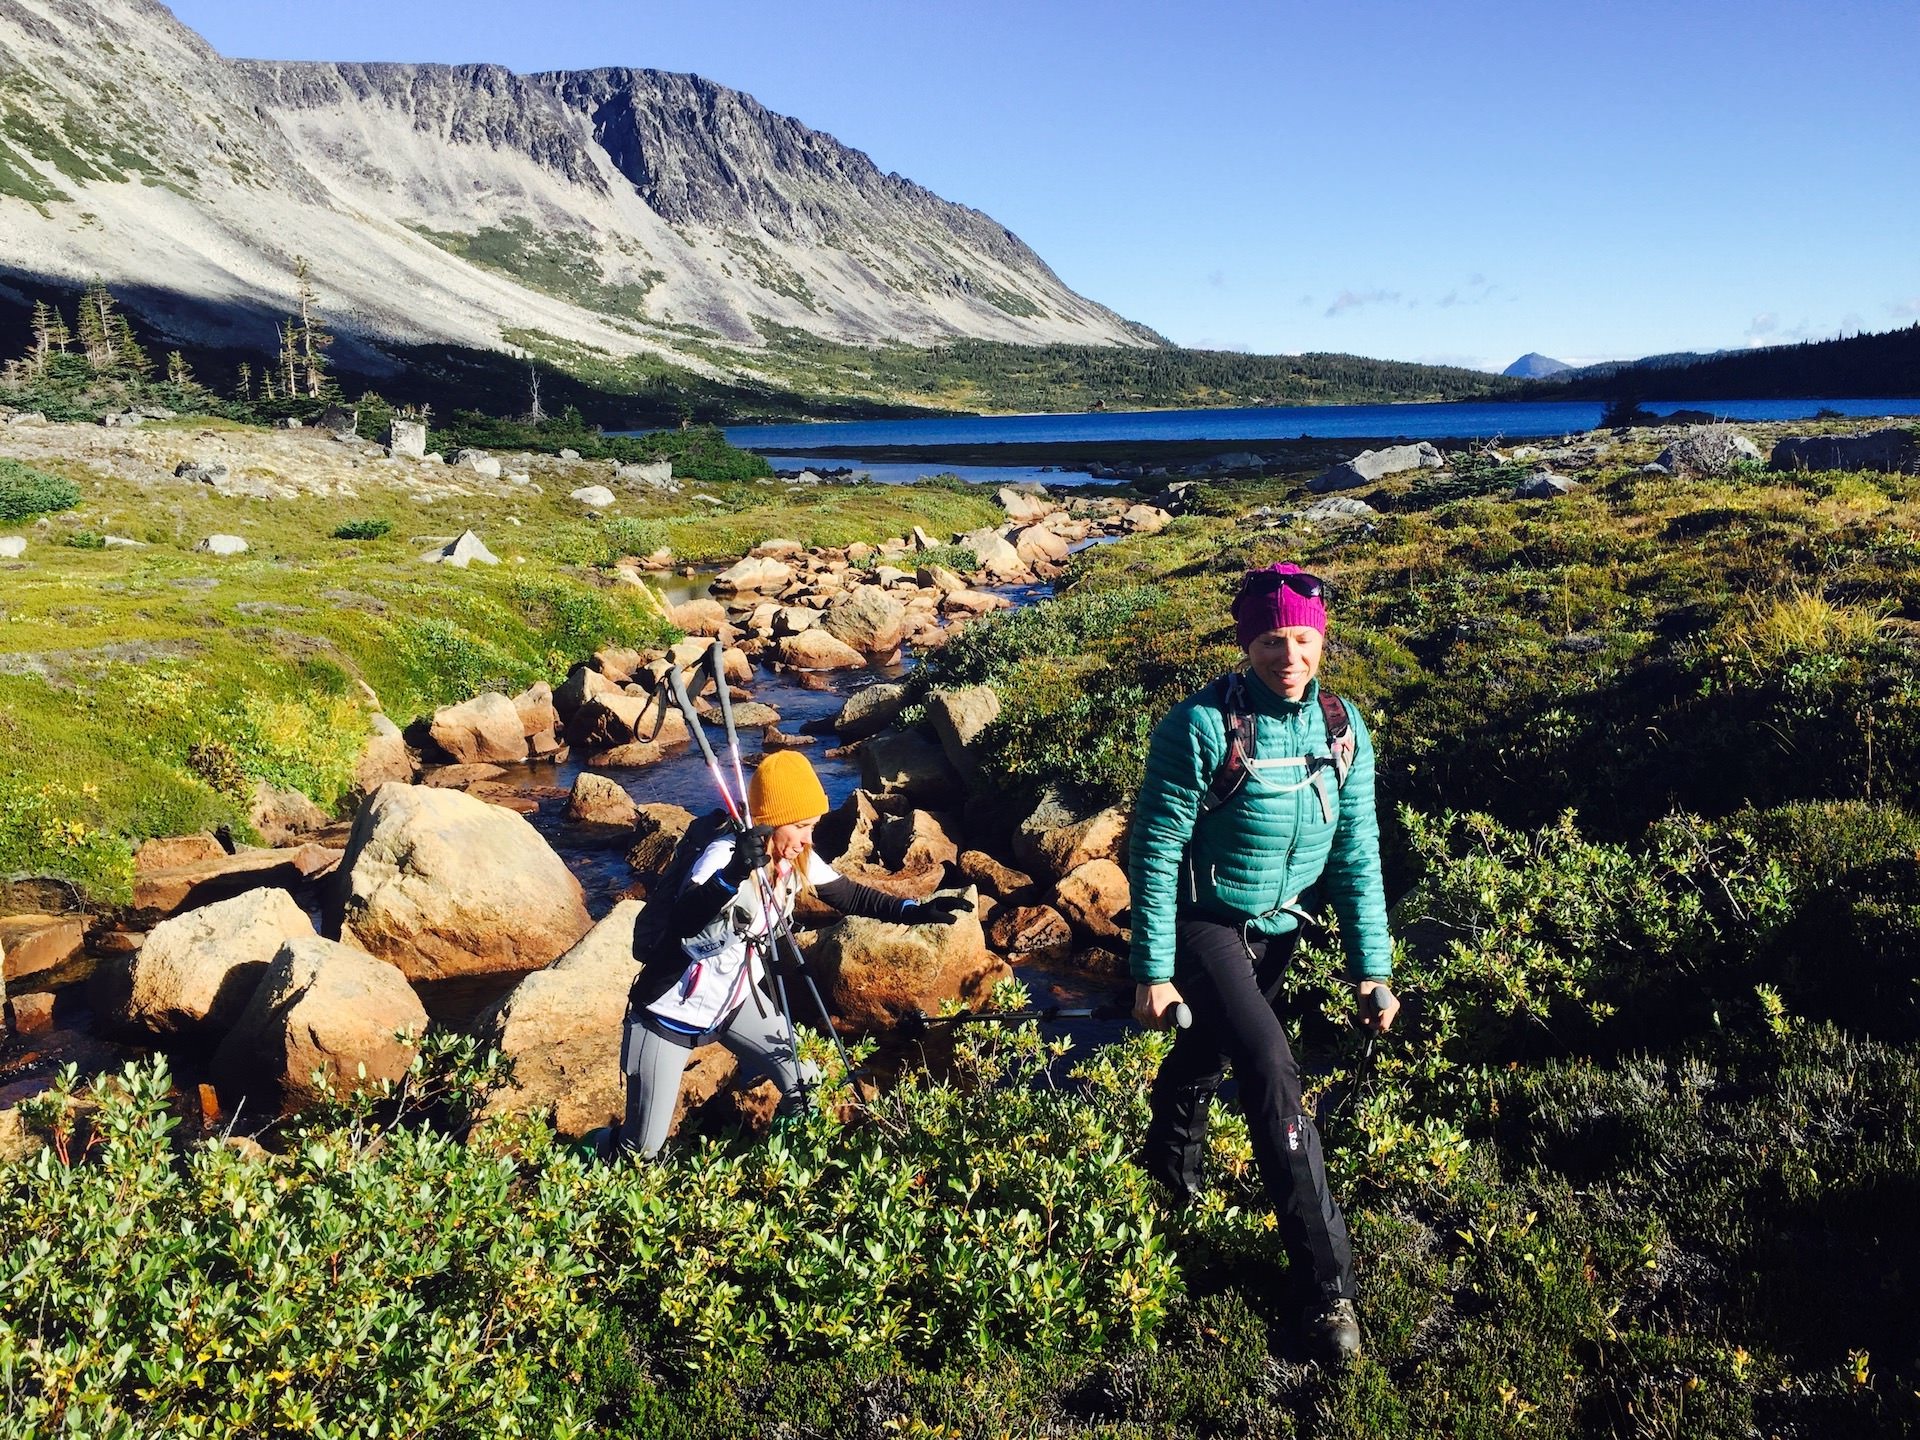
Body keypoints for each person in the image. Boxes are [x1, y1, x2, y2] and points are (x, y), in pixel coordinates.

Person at [1127, 562, 1399, 1364]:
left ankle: (1169, 1185)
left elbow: (1358, 855)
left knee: (1209, 1050)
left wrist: (1371, 967)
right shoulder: (1202, 727)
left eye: (1305, 638)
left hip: (1280, 926)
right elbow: (1154, 848)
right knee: (1273, 1067)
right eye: (1274, 639)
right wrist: (1152, 970)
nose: (1291, 655)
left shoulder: (1345, 731)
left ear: (1323, 641)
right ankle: (1327, 1292)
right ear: (1248, 641)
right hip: (1202, 922)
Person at [620, 750, 970, 1156]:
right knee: (640, 1147)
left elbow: (850, 894)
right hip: (670, 1012)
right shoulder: (722, 856)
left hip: (733, 1003)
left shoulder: (797, 857)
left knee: (807, 1083)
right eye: (801, 826)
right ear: (769, 821)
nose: (808, 839)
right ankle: (595, 1154)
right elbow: (683, 922)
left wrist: (914, 909)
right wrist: (732, 875)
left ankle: (775, 1172)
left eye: (813, 827)